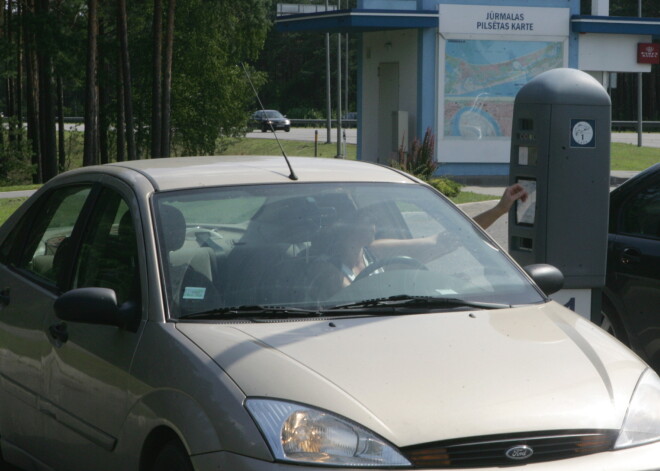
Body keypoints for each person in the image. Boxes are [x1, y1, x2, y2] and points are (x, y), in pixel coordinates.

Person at [307, 183, 529, 298]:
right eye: (366, 218)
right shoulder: (327, 268)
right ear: (345, 226)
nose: (374, 224)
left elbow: (448, 240)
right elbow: (356, 299)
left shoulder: (374, 250)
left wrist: (500, 209)